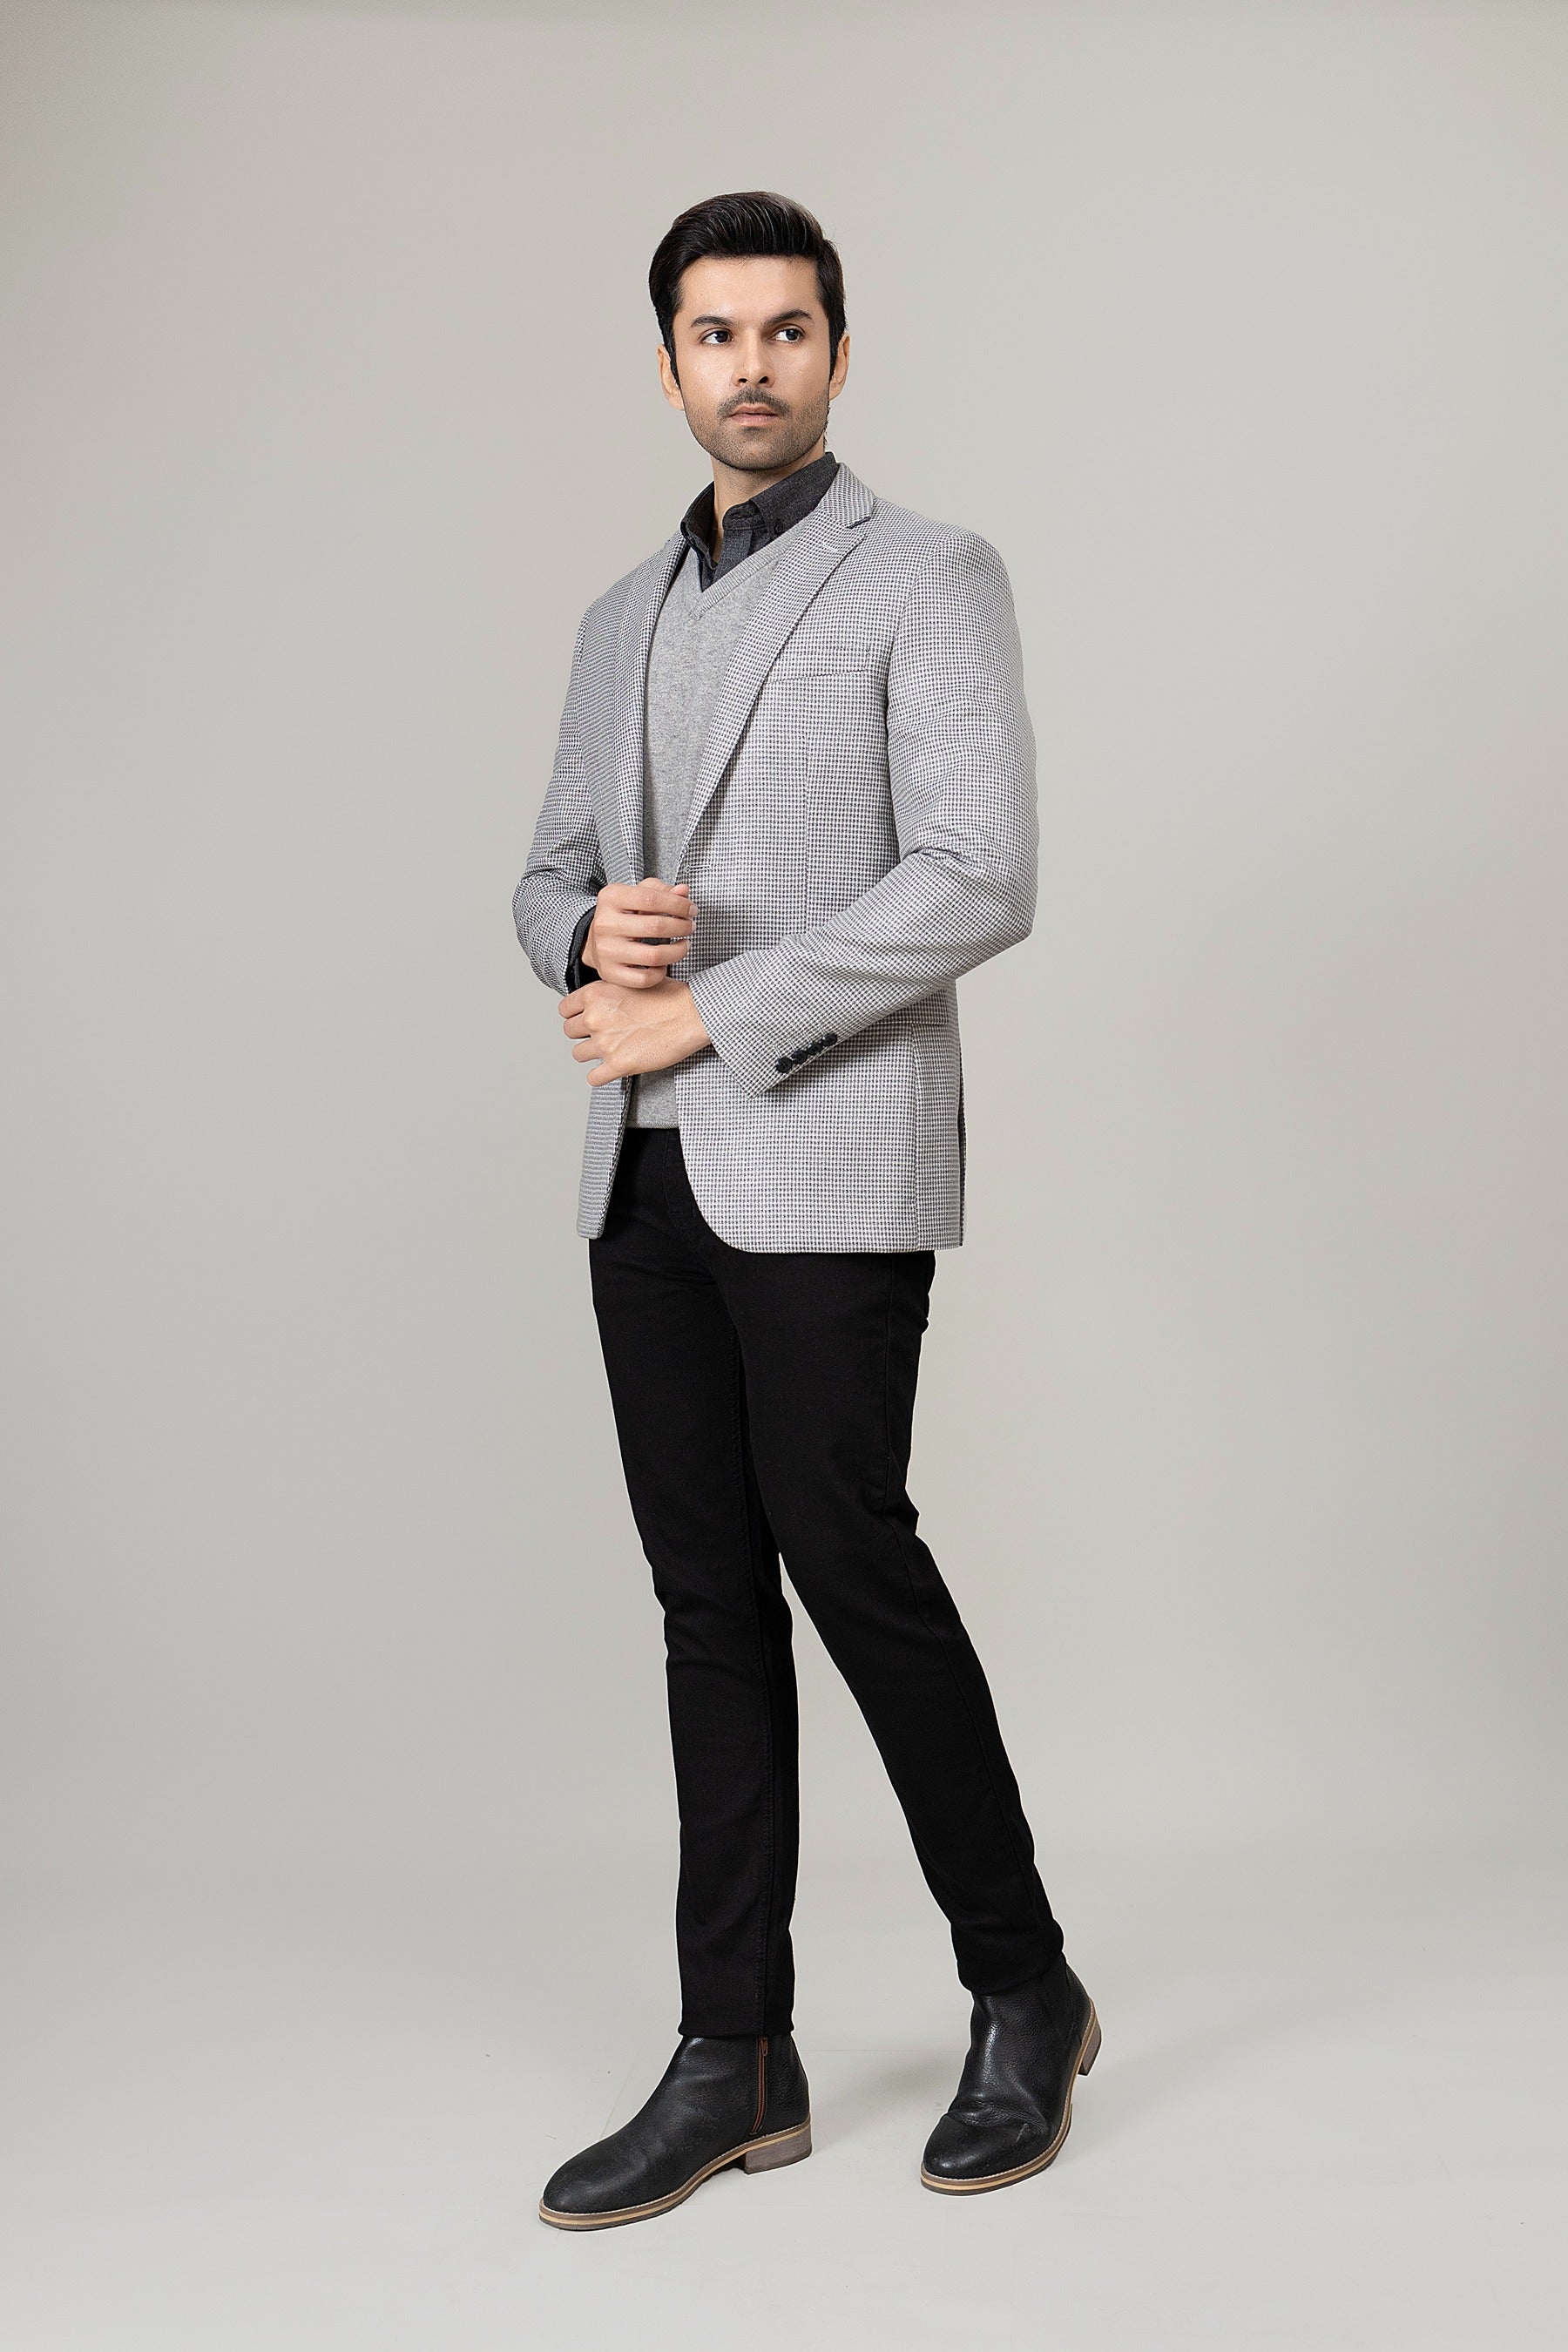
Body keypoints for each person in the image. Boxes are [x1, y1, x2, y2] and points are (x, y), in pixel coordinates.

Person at [513, 190, 1098, 2231]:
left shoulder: (927, 573)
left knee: (851, 1562)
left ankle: (1023, 1985)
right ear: (669, 362)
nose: (750, 365)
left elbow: (979, 869)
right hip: (641, 1179)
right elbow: (546, 871)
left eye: (785, 330)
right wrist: (587, 934)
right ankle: (734, 2052)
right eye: (714, 333)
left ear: (839, 352)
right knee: (705, 1603)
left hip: (824, 1150)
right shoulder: (617, 619)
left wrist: (709, 1010)